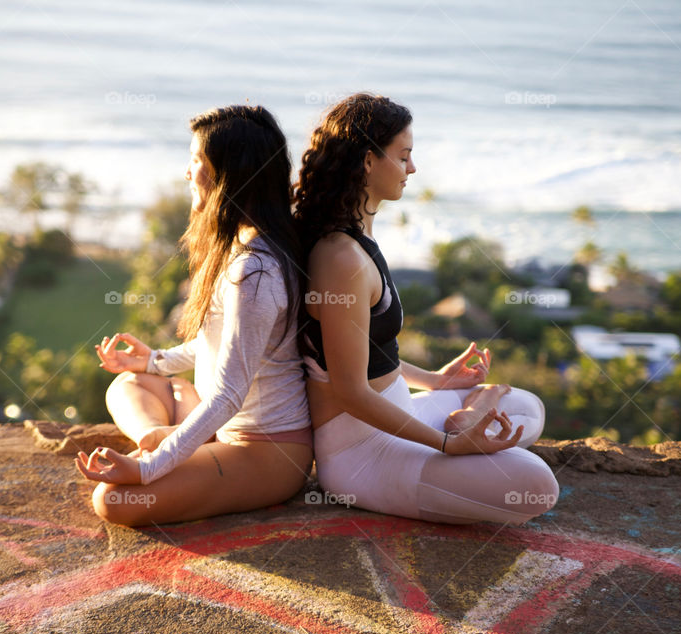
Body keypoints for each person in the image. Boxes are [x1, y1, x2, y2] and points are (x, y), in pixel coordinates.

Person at [294, 93, 559, 525]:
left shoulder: (358, 236)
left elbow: (368, 354)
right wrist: (447, 446)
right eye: (403, 157)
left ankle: (461, 420)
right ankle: (458, 429)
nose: (412, 169)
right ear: (367, 162)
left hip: (400, 412)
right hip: (362, 453)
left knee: (528, 407)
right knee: (536, 489)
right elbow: (350, 390)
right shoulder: (339, 257)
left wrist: (433, 380)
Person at [75, 105, 313, 526]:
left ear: (229, 175)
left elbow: (227, 397)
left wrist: (148, 469)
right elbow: (224, 347)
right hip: (224, 429)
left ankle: (160, 445)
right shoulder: (242, 247)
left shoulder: (254, 272)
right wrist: (154, 361)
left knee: (113, 501)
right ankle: (157, 436)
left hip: (264, 451)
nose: (187, 173)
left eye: (196, 161)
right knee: (131, 382)